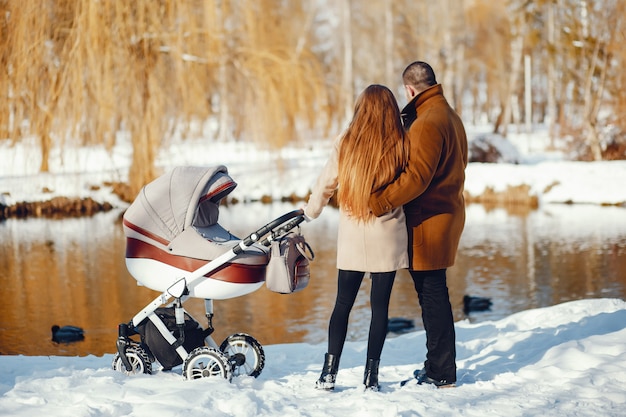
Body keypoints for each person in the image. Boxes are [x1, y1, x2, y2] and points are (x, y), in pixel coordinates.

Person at [368, 61, 468, 388]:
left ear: (410, 89)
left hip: (428, 221)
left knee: (432, 297)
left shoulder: (427, 122)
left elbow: (416, 179)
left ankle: (441, 372)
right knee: (434, 294)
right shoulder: (450, 115)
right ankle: (438, 367)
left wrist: (379, 200)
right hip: (446, 215)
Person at [304, 84, 409, 392]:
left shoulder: (346, 141)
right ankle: (370, 376)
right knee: (380, 309)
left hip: (353, 235)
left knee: (342, 305)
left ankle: (329, 373)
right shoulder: (402, 143)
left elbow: (326, 182)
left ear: (361, 108)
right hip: (387, 234)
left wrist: (311, 211)